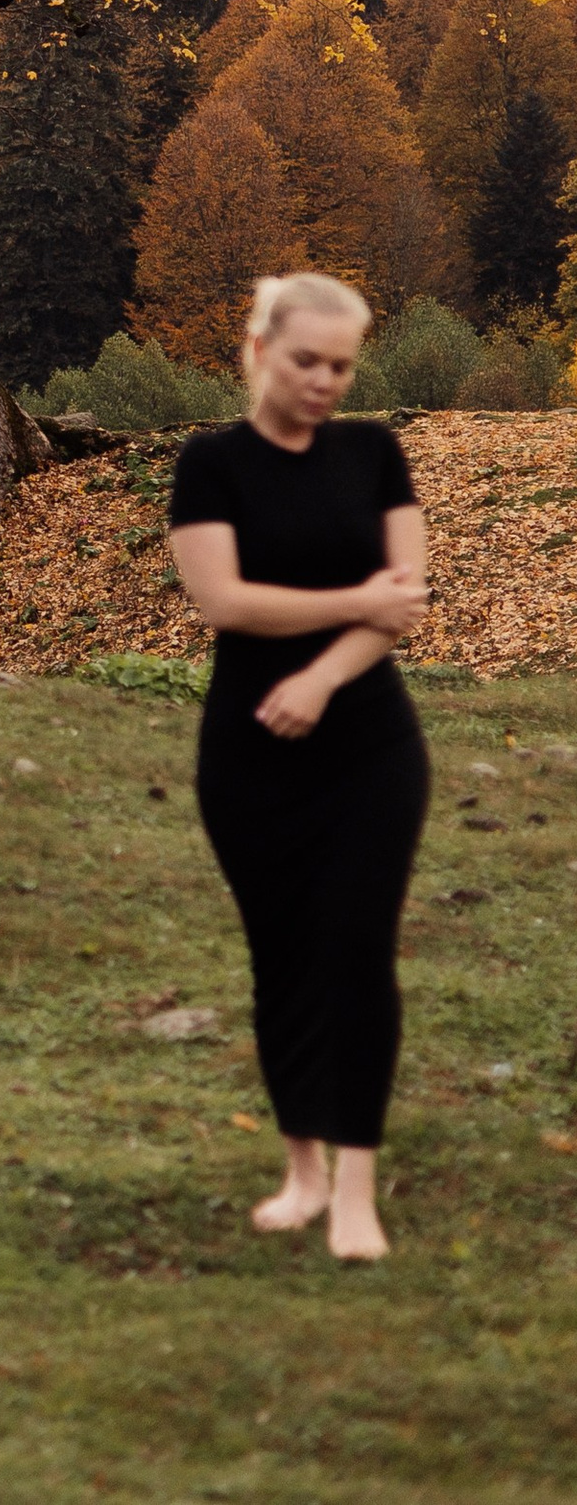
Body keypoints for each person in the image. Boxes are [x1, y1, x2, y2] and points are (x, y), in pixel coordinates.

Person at [165, 272, 430, 1262]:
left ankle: (356, 1188)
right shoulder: (211, 464)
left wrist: (322, 675)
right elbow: (224, 603)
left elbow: (402, 603)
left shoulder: (373, 452)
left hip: (370, 746)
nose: (324, 380)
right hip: (249, 756)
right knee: (282, 961)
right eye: (305, 359)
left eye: (340, 365)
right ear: (259, 350)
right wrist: (354, 600)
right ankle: (302, 1171)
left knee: (358, 951)